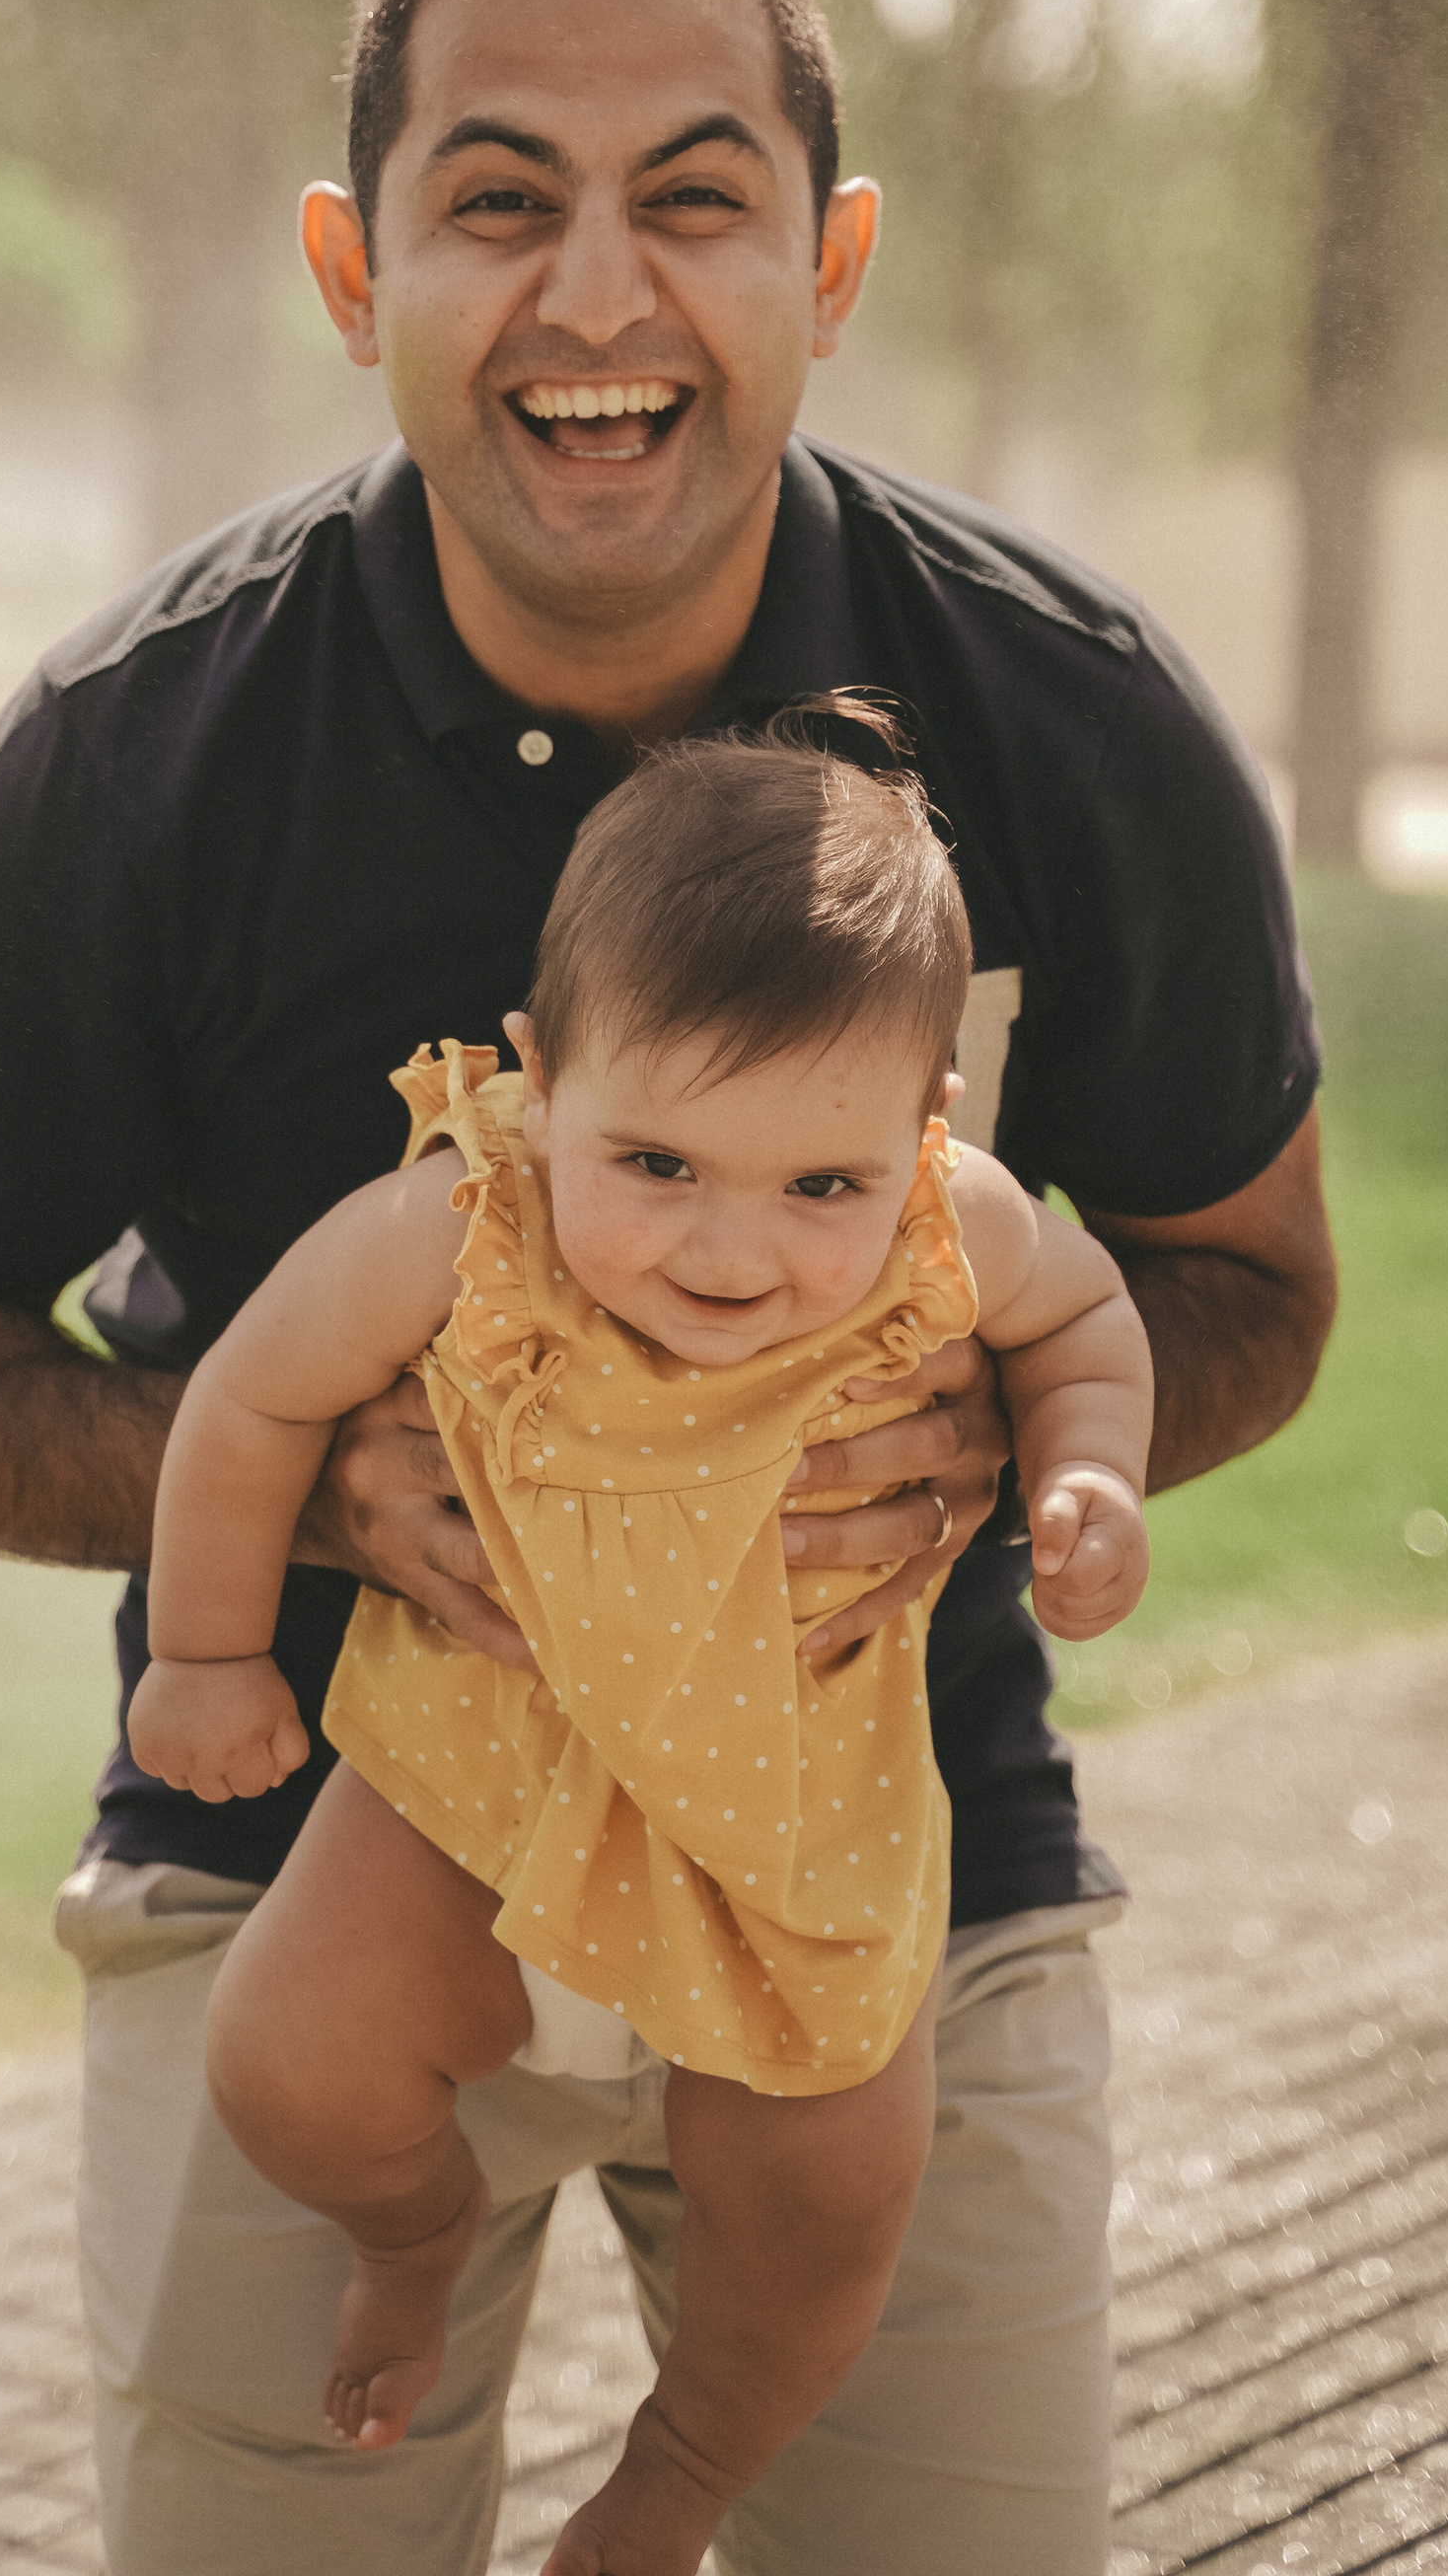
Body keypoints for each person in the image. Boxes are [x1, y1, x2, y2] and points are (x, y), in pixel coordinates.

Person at [0, 0, 1337, 2576]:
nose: (597, 299)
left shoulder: (1072, 719)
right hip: (317, 1858)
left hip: (895, 1860)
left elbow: (1243, 1285)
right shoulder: (136, 761)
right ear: (350, 268)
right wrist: (294, 1492)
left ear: (828, 264)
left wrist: (999, 1451)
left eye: (695, 201)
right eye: (497, 203)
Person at [127, 710, 1154, 2576]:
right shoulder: (460, 1218)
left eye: (819, 1187)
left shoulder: (958, 1226)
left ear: (923, 1129)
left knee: (836, 2201)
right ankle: (410, 2235)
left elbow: (1088, 1326)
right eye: (658, 1162)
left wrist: (1089, 1480)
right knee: (284, 2058)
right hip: (473, 1786)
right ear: (542, 1078)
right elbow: (251, 1400)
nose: (732, 1252)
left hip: (794, 1829)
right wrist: (209, 1655)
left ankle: (673, 2481)